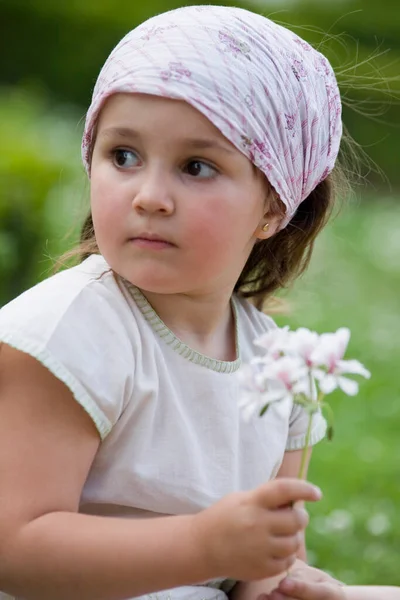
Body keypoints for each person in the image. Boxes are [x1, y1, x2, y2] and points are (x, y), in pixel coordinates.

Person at [0, 5, 344, 600]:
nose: (150, 197)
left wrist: (285, 582)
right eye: (123, 156)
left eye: (196, 166)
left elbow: (262, 567)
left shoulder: (284, 369)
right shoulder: (65, 334)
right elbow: (14, 550)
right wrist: (203, 546)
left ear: (273, 207)